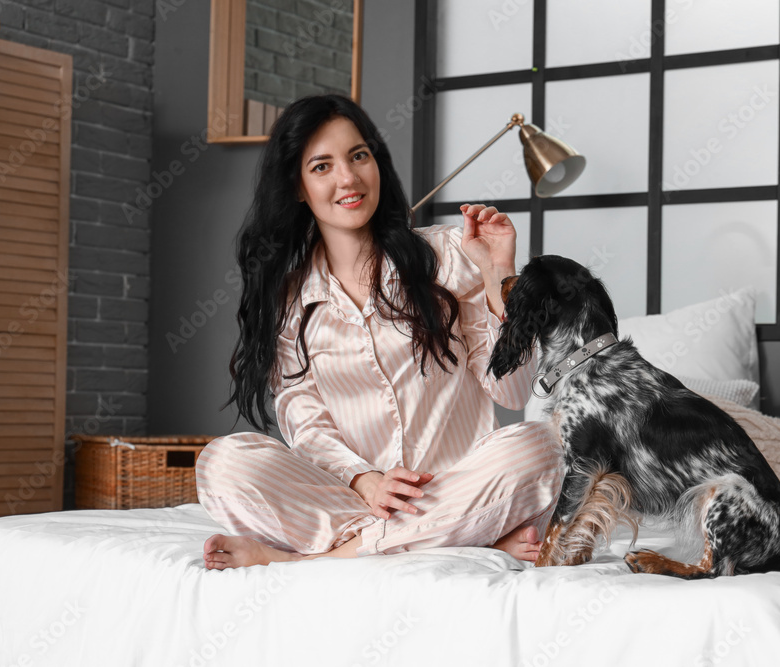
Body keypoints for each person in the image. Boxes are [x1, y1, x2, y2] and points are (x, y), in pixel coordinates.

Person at [196, 94, 565, 569]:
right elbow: (305, 421)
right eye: (322, 166)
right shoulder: (290, 299)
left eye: (358, 156)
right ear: (297, 186)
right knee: (222, 464)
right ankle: (461, 542)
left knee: (540, 447)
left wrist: (499, 278)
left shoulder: (450, 253)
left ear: (376, 162)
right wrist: (364, 479)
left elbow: (513, 393)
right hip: (356, 500)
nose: (347, 179)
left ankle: (307, 561)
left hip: (460, 489)